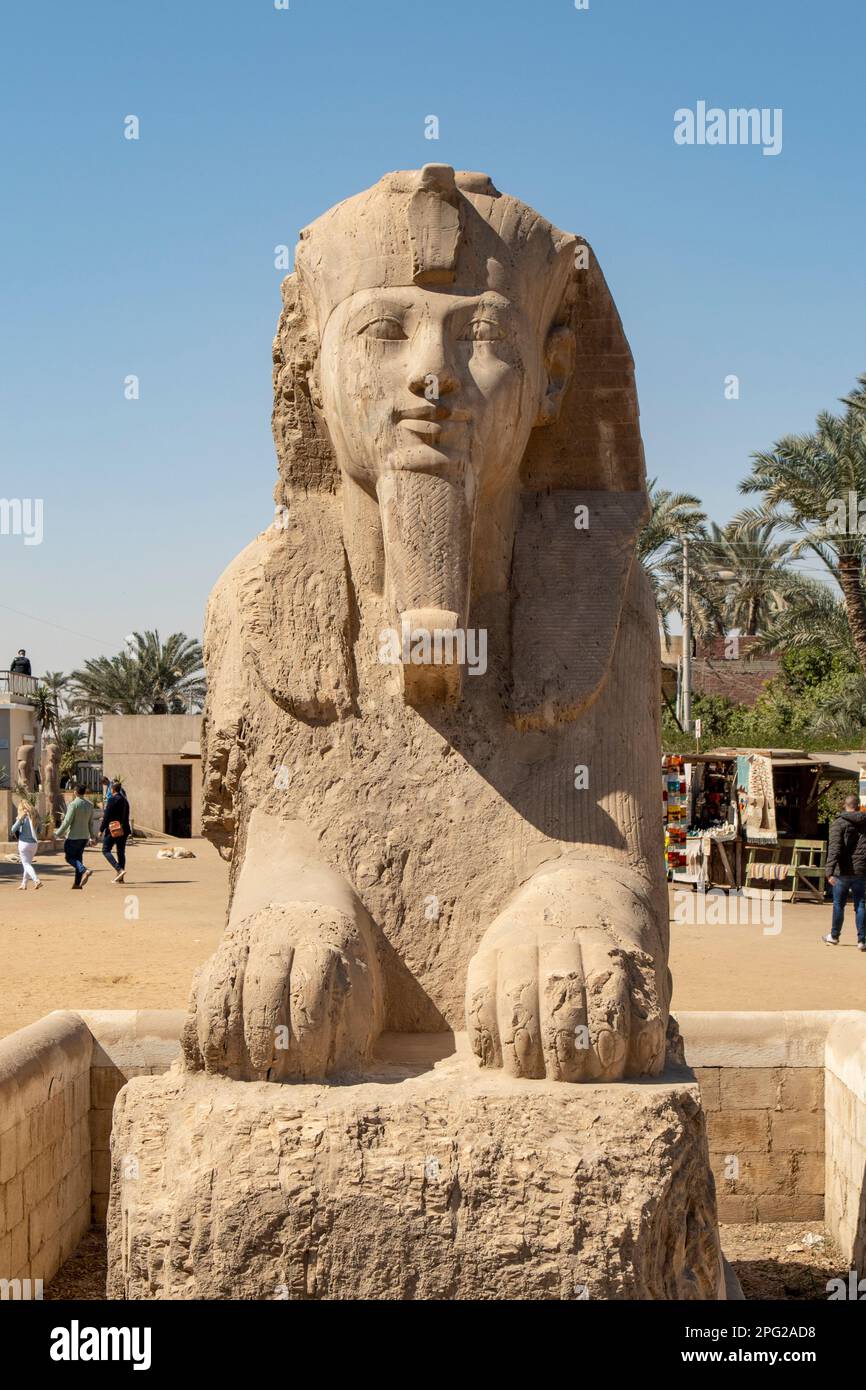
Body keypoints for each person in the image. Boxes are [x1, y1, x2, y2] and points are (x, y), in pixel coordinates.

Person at [823, 794, 866, 950]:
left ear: (845, 805)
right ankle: (862, 940)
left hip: (842, 871)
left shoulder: (838, 824)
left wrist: (829, 871)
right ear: (859, 805)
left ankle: (834, 936)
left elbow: (834, 849)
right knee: (860, 904)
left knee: (838, 904)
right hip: (861, 871)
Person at [54, 784, 94, 889]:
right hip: (84, 837)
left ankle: (85, 870)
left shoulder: (73, 804)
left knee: (69, 858)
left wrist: (57, 833)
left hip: (73, 837)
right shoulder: (89, 805)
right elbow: (91, 823)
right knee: (78, 859)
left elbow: (67, 821)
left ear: (75, 792)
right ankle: (77, 884)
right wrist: (92, 836)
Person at [100, 779, 131, 883]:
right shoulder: (125, 800)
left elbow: (107, 816)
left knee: (105, 850)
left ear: (112, 789)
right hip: (124, 829)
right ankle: (120, 878)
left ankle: (119, 869)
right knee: (121, 852)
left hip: (113, 829)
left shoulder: (112, 800)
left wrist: (101, 829)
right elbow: (126, 816)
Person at [10, 799, 41, 891]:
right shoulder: (36, 817)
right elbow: (40, 830)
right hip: (34, 844)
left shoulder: (22, 817)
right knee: (28, 864)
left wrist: (20, 819)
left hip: (24, 844)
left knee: (26, 864)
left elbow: (12, 829)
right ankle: (24, 884)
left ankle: (36, 880)